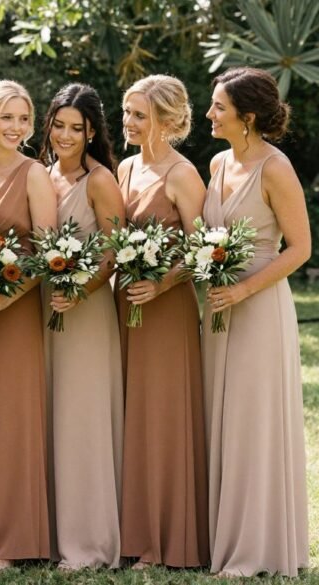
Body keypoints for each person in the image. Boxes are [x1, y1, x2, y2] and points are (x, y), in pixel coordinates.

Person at [202, 66, 309, 577]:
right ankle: (219, 537)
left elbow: (302, 250)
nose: (209, 114)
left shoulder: (276, 167)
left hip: (259, 306)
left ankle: (255, 548)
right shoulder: (219, 162)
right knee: (220, 418)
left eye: (218, 107)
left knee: (252, 423)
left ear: (246, 117)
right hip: (216, 306)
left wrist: (242, 290)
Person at [115, 74, 208, 569]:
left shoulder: (182, 174)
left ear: (167, 121)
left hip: (166, 310)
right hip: (126, 309)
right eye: (126, 112)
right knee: (134, 418)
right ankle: (135, 533)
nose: (128, 122)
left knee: (163, 419)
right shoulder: (126, 168)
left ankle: (166, 540)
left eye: (139, 115)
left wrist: (162, 285)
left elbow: (203, 250)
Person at [0, 80, 56, 572]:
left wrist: (7, 295)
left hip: (15, 309)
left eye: (24, 119)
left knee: (12, 418)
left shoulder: (34, 174)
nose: (18, 128)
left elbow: (48, 253)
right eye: (7, 118)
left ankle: (12, 541)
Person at [38, 82, 125, 570]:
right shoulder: (41, 175)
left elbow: (114, 254)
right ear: (48, 125)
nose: (66, 135)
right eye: (59, 125)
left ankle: (89, 543)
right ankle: (49, 532)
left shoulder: (99, 181)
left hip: (87, 312)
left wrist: (80, 290)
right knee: (50, 413)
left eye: (78, 128)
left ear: (92, 132)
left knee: (82, 420)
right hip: (43, 312)